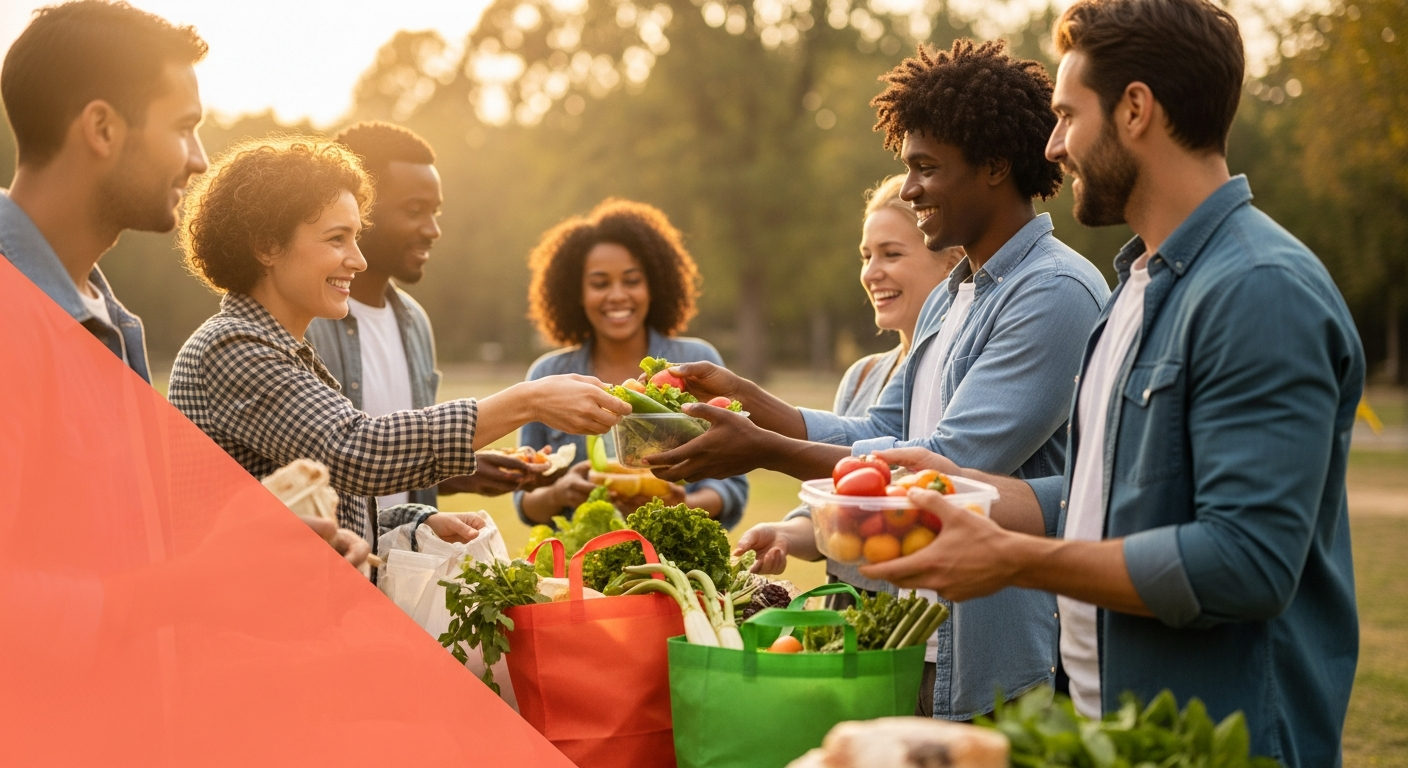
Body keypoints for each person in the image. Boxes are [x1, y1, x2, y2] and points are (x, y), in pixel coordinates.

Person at [860, 0, 1363, 764]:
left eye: (1067, 116)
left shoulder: (1260, 289)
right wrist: (965, 487)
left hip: (1223, 744)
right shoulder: (1135, 287)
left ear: (1135, 110)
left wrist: (1014, 559)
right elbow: (1111, 496)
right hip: (1117, 738)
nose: (1053, 146)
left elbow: (1247, 561)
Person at [650, 40, 1110, 720]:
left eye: (926, 168)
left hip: (1003, 668)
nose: (913, 187)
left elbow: (948, 470)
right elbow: (882, 433)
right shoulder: (956, 294)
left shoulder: (1054, 292)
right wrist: (752, 401)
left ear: (993, 166)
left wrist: (763, 449)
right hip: (916, 640)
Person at [0, 1, 369, 564]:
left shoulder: (107, 321)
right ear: (102, 127)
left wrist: (251, 541)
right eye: (182, 127)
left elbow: (109, 556)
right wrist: (194, 581)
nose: (199, 160)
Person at [168, 137, 630, 552]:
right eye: (336, 239)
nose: (358, 258)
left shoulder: (289, 352)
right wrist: (528, 400)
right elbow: (356, 450)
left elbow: (319, 516)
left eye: (356, 236)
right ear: (267, 246)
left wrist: (417, 522)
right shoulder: (232, 347)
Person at [738, 175, 962, 716]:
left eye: (891, 253)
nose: (872, 272)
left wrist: (760, 436)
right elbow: (839, 505)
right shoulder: (863, 376)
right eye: (866, 255)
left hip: (923, 636)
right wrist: (789, 533)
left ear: (950, 261)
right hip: (847, 626)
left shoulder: (954, 378)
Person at [306, 121, 544, 512]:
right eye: (414, 211)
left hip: (402, 565)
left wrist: (463, 470)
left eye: (435, 212)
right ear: (356, 209)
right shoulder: (305, 321)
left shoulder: (414, 322)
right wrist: (531, 400)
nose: (432, 230)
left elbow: (398, 453)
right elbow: (344, 455)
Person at [515, 199, 749, 528]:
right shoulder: (547, 375)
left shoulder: (698, 363)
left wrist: (684, 503)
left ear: (653, 286)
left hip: (678, 565)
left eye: (632, 280)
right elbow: (525, 500)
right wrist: (560, 494)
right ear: (576, 293)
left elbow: (732, 486)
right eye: (599, 284)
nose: (617, 295)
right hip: (582, 564)